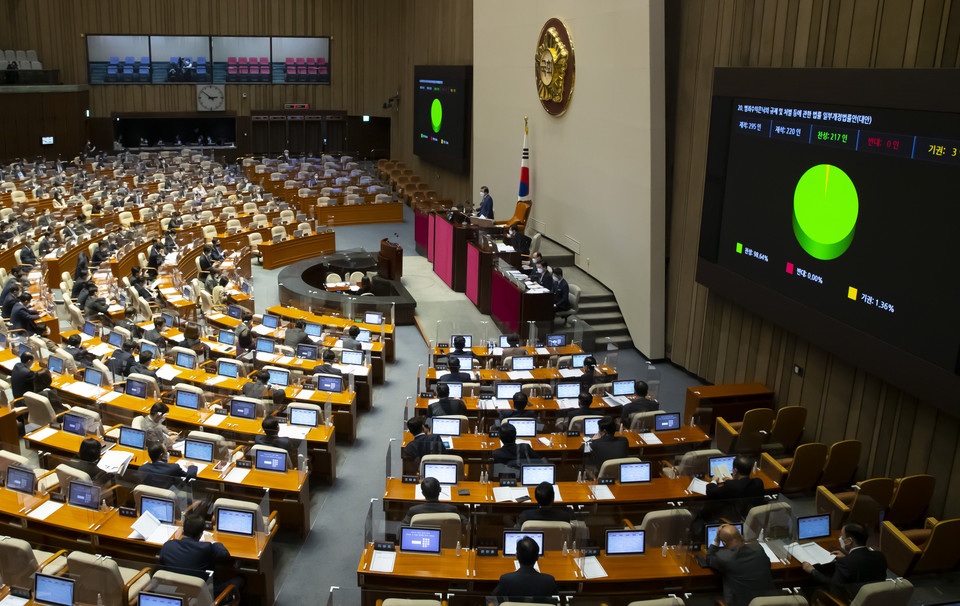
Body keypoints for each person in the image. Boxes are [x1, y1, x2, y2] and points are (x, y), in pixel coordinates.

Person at [159, 513, 244, 596]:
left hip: (174, 591)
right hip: (201, 594)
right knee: (241, 579)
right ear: (201, 533)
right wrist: (212, 541)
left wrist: (175, 540)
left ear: (183, 530)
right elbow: (225, 554)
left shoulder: (167, 545)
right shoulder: (206, 548)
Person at [803, 523, 888, 601]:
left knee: (808, 585)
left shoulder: (845, 562)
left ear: (849, 541)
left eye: (842, 536)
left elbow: (834, 587)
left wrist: (813, 571)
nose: (840, 538)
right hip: (875, 598)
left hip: (852, 600)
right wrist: (848, 557)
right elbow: (862, 563)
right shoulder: (879, 556)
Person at [706, 524, 776, 606]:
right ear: (742, 537)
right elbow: (768, 565)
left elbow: (709, 558)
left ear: (724, 543)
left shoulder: (724, 557)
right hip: (769, 601)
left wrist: (717, 539)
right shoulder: (758, 549)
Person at [492, 536, 557, 601]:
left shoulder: (506, 580)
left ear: (516, 556)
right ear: (537, 557)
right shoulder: (549, 581)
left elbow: (493, 599)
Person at [704, 455, 765, 521]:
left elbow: (710, 492)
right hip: (753, 518)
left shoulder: (731, 485)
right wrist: (733, 481)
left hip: (734, 518)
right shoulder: (759, 482)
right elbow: (742, 485)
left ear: (735, 471)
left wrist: (713, 481)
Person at [401, 477, 465, 525]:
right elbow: (465, 523)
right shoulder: (452, 510)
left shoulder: (414, 511)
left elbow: (400, 530)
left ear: (422, 493)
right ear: (440, 489)